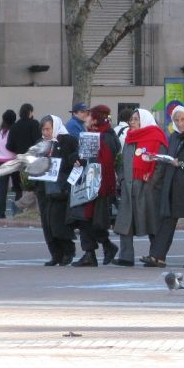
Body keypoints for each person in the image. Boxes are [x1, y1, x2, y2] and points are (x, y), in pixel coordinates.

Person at [142, 105, 184, 268]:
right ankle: (157, 256)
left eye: (183, 119)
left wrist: (181, 162)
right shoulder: (174, 137)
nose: (180, 123)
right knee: (168, 218)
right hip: (176, 185)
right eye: (176, 120)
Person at [113, 109, 168, 267]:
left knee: (152, 222)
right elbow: (122, 161)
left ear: (144, 120)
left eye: (136, 119)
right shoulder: (130, 138)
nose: (132, 122)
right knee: (125, 222)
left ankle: (155, 255)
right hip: (129, 186)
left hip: (147, 188)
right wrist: (123, 179)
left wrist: (152, 182)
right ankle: (126, 256)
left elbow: (160, 163)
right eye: (131, 119)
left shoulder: (157, 137)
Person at [71, 105, 120, 267]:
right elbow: (83, 156)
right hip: (87, 182)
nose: (87, 118)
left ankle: (104, 247)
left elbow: (104, 161)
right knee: (84, 218)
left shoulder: (106, 136)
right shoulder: (92, 135)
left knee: (95, 220)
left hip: (100, 185)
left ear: (96, 118)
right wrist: (77, 159)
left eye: (90, 116)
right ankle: (91, 252)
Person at [37, 115, 78, 265]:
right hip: (44, 189)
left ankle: (68, 251)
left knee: (58, 222)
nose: (46, 132)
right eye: (43, 129)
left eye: (48, 129)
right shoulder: (40, 143)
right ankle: (55, 254)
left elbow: (74, 160)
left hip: (61, 188)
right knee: (47, 223)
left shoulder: (68, 141)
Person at [6, 103, 41, 211]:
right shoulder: (34, 124)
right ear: (30, 112)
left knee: (25, 185)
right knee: (35, 186)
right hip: (33, 158)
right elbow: (38, 141)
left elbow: (9, 145)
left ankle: (30, 210)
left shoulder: (15, 126)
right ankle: (20, 205)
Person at [0, 109, 19, 219]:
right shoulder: (15, 132)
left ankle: (0, 214)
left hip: (0, 162)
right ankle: (17, 212)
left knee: (2, 190)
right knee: (17, 188)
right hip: (14, 162)